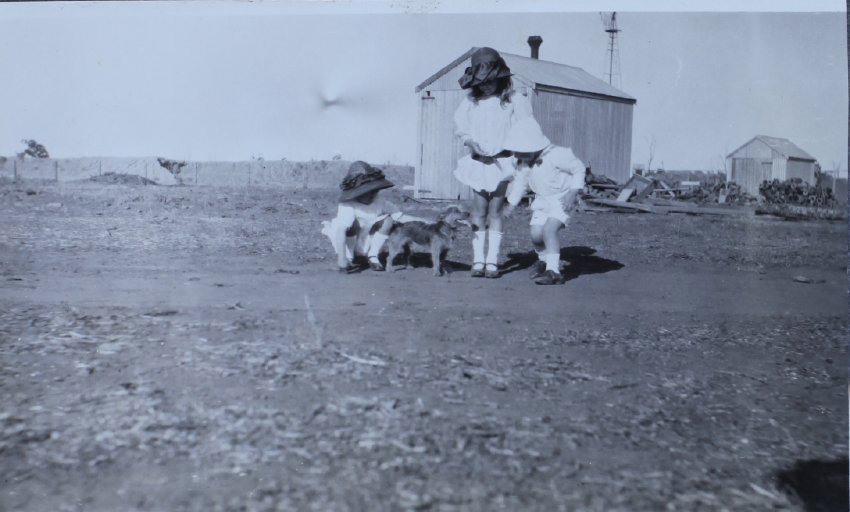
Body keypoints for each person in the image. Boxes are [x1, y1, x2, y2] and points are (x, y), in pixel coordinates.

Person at [453, 47, 534, 278]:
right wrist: (470, 142)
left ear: (501, 79)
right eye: (481, 82)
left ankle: (493, 261)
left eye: (491, 80)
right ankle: (478, 261)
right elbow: (462, 126)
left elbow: (524, 128)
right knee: (478, 211)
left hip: (502, 162)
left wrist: (519, 154)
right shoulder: (471, 101)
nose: (486, 85)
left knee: (496, 210)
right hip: (479, 162)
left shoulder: (513, 100)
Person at [503, 117, 586, 285]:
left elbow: (579, 169)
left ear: (534, 146)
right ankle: (543, 259)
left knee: (549, 230)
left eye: (521, 151)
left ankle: (553, 271)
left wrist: (573, 192)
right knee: (536, 235)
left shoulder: (558, 154)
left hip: (562, 199)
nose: (518, 155)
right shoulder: (524, 163)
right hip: (541, 201)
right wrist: (510, 205)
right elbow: (520, 185)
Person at [321, 161, 420, 272]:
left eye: (374, 191)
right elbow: (341, 231)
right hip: (350, 239)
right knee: (351, 224)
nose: (372, 195)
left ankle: (373, 255)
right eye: (367, 192)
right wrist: (341, 259)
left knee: (388, 220)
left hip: (370, 237)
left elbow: (401, 217)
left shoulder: (380, 202)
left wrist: (429, 222)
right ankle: (349, 257)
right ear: (356, 192)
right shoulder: (348, 204)